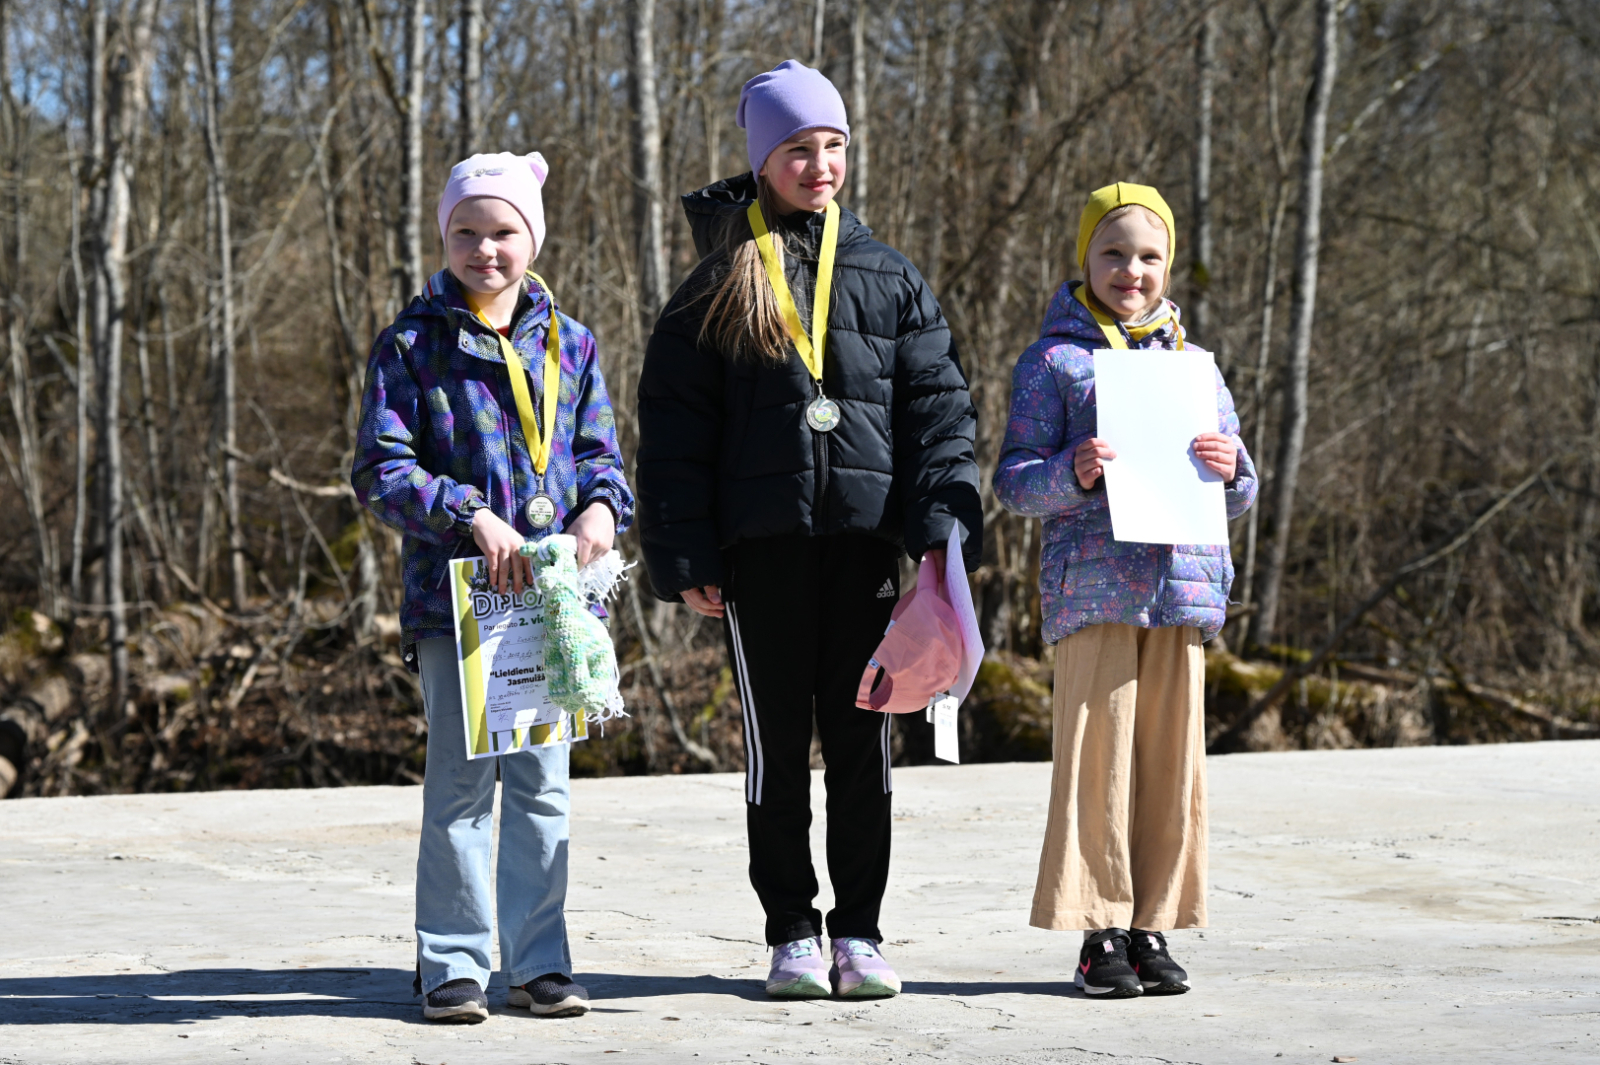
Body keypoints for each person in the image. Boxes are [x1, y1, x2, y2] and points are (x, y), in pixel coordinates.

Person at [635, 60, 981, 1000]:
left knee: (864, 744)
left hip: (868, 551)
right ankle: (791, 927)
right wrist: (686, 554)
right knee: (776, 748)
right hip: (762, 555)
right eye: (797, 149)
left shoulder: (890, 276)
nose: (819, 164)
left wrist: (940, 530)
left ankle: (859, 932)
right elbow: (672, 431)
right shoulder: (718, 281)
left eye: (833, 146)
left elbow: (940, 413)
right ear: (763, 160)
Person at [351, 151, 633, 1023]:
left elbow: (603, 460)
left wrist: (600, 512)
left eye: (503, 231)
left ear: (532, 238)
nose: (485, 249)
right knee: (463, 786)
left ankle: (540, 961)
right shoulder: (412, 344)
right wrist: (468, 512)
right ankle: (452, 962)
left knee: (544, 782)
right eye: (466, 232)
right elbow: (379, 468)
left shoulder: (571, 342)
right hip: (458, 606)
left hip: (551, 603)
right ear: (445, 236)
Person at [993, 182, 1258, 998]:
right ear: (1084, 260)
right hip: (1095, 592)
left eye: (1148, 256)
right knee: (1096, 760)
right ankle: (1096, 932)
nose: (1130, 270)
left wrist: (1233, 470)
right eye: (1112, 253)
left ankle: (1152, 925)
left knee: (1169, 763)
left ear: (1168, 264)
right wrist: (1069, 474)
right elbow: (1012, 481)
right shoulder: (1054, 362)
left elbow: (1239, 486)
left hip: (1181, 594)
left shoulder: (1194, 366)